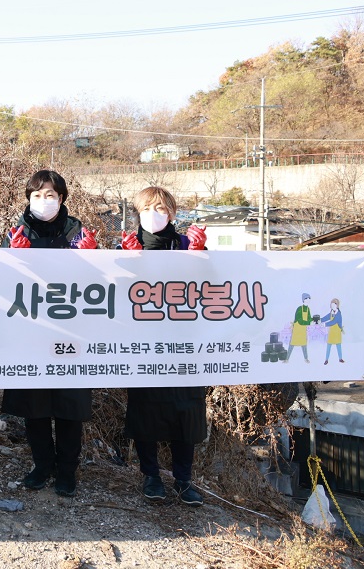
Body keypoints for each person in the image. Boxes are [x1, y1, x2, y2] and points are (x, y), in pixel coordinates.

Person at [0, 170, 95, 497]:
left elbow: (98, 282)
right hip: (31, 332)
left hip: (72, 331)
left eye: (50, 195)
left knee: (70, 407)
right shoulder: (16, 232)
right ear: (28, 199)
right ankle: (42, 465)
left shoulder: (78, 232)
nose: (44, 201)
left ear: (62, 198)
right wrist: (11, 257)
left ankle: (67, 470)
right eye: (37, 195)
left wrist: (93, 257)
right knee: (34, 406)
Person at [120, 185, 208, 506]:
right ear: (137, 214)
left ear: (172, 213)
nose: (153, 215)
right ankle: (151, 476)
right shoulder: (128, 246)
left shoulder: (187, 245)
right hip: (144, 344)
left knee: (187, 411)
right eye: (146, 209)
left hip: (185, 343)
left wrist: (201, 256)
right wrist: (124, 264)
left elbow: (212, 288)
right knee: (146, 410)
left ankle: (184, 480)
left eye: (160, 208)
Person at [287, 293, 313, 364]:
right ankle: (287, 359)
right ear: (303, 300)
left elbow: (309, 318)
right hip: (297, 328)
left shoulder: (308, 309)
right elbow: (299, 320)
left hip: (303, 329)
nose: (308, 300)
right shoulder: (299, 309)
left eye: (309, 298)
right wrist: (308, 322)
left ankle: (306, 358)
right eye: (307, 298)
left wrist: (313, 320)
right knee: (292, 344)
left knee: (304, 344)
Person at [323, 298, 344, 365]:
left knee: (338, 346)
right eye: (331, 304)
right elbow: (326, 317)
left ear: (337, 305)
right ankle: (326, 359)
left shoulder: (338, 314)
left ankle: (340, 358)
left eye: (334, 304)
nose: (332, 306)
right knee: (329, 346)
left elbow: (333, 321)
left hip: (337, 332)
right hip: (331, 332)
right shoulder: (331, 313)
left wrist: (325, 324)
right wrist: (319, 320)